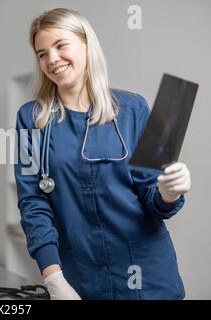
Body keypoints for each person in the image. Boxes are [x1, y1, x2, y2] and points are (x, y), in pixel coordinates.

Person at [14, 8, 191, 300]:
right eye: (42, 53)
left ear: (86, 44)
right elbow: (33, 202)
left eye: (60, 45)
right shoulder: (31, 120)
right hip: (80, 281)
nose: (52, 59)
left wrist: (168, 192)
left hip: (148, 278)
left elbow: (152, 198)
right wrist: (54, 278)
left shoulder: (135, 110)